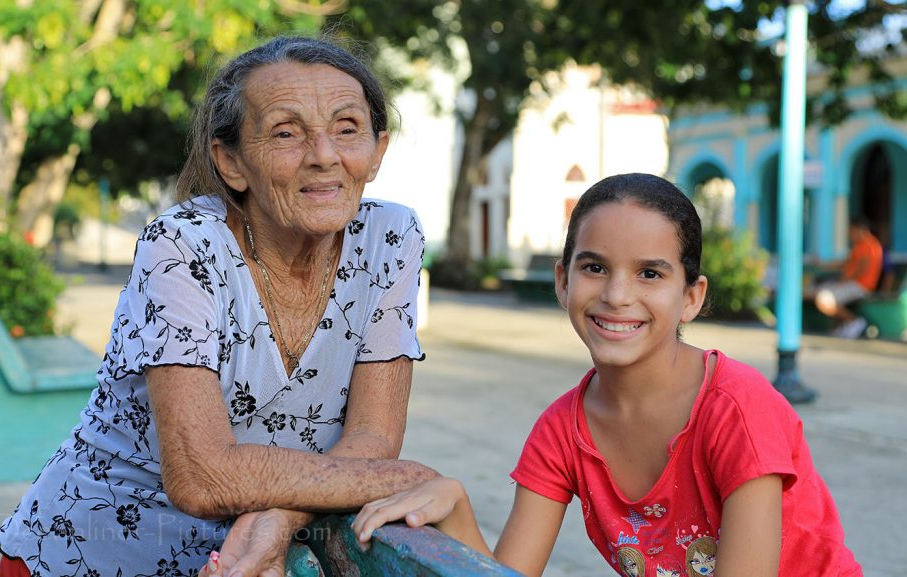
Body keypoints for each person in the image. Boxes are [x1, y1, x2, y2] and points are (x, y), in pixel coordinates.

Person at [0, 35, 440, 577]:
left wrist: (284, 515)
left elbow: (373, 438)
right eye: (286, 133)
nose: (325, 156)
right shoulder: (182, 244)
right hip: (89, 553)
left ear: (377, 151)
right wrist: (406, 477)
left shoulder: (391, 236)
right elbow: (202, 477)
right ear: (231, 162)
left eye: (347, 129)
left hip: (252, 560)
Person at [352, 173, 862, 577]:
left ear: (691, 297)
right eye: (594, 267)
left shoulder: (736, 408)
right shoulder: (561, 432)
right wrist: (456, 507)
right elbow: (509, 574)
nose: (618, 295)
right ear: (562, 280)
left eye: (650, 274)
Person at [810, 216, 883, 339]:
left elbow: (862, 268)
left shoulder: (870, 245)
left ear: (860, 229)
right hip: (850, 283)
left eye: (851, 230)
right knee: (818, 294)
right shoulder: (860, 246)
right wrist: (822, 264)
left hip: (860, 286)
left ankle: (854, 322)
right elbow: (846, 264)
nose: (850, 234)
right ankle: (847, 325)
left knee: (825, 299)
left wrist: (844, 281)